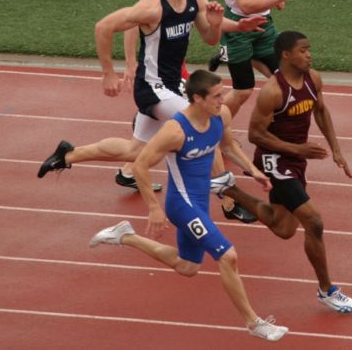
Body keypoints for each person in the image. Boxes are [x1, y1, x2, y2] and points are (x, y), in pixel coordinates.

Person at [89, 70, 288, 342]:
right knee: (227, 256)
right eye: (217, 96)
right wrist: (153, 208)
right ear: (197, 98)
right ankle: (254, 323)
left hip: (200, 203)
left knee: (187, 266)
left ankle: (125, 235)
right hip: (181, 205)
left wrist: (253, 170)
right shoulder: (175, 130)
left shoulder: (218, 117)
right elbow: (140, 164)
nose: (223, 100)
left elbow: (228, 147)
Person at [37, 0, 258, 185]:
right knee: (203, 117)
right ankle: (223, 189)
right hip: (152, 89)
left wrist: (221, 24)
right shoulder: (153, 8)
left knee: (135, 151)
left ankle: (67, 154)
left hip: (174, 86)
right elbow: (103, 26)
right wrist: (109, 73)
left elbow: (210, 39)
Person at [115, 0, 263, 223]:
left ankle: (91, 160)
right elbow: (131, 22)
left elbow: (208, 19)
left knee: (138, 148)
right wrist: (130, 63)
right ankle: (229, 200)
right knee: (204, 123)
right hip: (163, 76)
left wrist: (239, 26)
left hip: (174, 72)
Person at [211, 31, 352, 313]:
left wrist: (337, 150)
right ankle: (327, 290)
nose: (309, 55)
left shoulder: (313, 79)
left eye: (309, 49)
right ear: (286, 55)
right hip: (274, 160)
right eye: (303, 51)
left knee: (284, 228)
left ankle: (227, 187)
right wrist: (297, 150)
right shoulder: (273, 91)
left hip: (294, 160)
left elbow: (321, 111)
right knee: (313, 222)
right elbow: (255, 135)